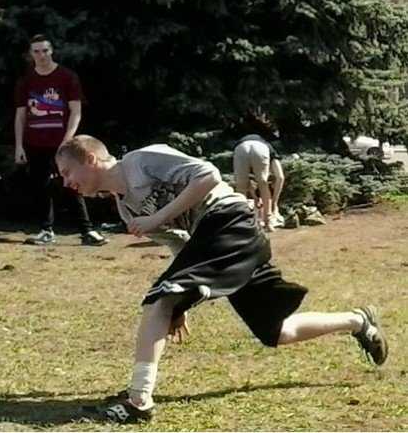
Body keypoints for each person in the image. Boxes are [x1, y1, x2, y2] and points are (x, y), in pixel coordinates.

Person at [55, 135, 388, 424]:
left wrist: (159, 223)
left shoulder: (140, 161)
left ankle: (138, 400)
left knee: (157, 301)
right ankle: (358, 321)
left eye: (68, 172)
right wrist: (179, 299)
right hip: (221, 240)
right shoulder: (127, 209)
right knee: (277, 331)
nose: (66, 182)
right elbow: (179, 243)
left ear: (91, 158)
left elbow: (208, 175)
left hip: (228, 220)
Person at [14, 34, 106, 246]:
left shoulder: (67, 77)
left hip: (62, 143)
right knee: (41, 186)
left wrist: (67, 141)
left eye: (45, 50)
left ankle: (87, 231)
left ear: (52, 51)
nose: (42, 55)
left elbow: (76, 112)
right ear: (31, 54)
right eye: (37, 51)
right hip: (35, 142)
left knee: (72, 184)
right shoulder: (26, 80)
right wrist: (19, 146)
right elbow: (20, 115)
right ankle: (46, 230)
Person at [233, 134, 285, 231]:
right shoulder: (270, 150)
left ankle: (241, 223)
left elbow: (248, 183)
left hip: (240, 148)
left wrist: (255, 198)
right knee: (263, 184)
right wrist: (274, 202)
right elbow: (280, 177)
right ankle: (268, 222)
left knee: (241, 187)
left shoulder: (248, 142)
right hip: (261, 149)